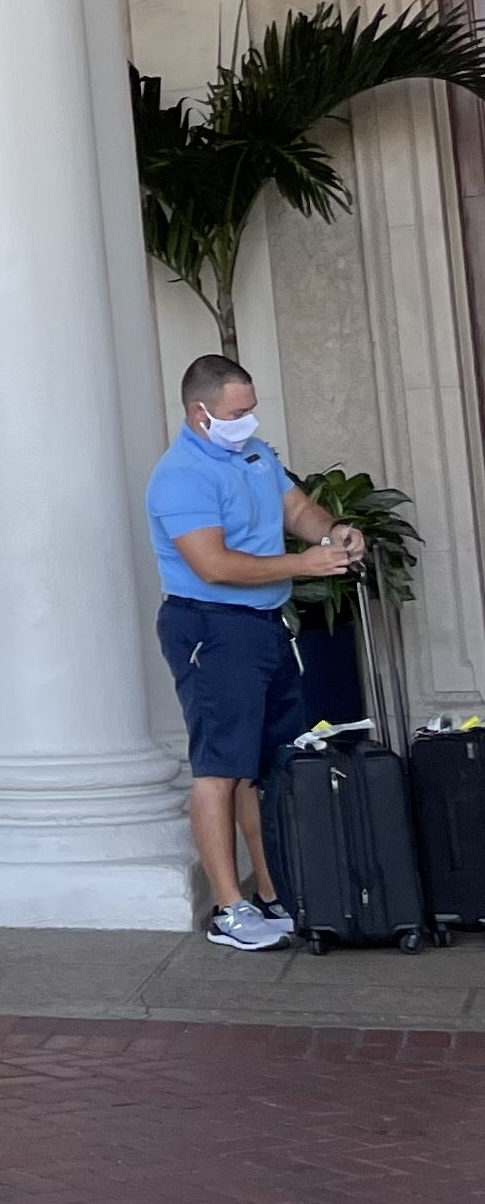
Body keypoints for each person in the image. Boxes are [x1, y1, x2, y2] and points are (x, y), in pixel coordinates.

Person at [145, 354, 365, 950]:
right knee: (219, 768)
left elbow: (297, 508)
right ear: (201, 413)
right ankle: (229, 909)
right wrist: (305, 564)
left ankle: (271, 893)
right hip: (211, 628)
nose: (249, 419)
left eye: (251, 408)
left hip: (265, 625)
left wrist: (332, 533)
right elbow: (213, 565)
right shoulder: (181, 475)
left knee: (263, 768)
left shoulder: (254, 453)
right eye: (237, 412)